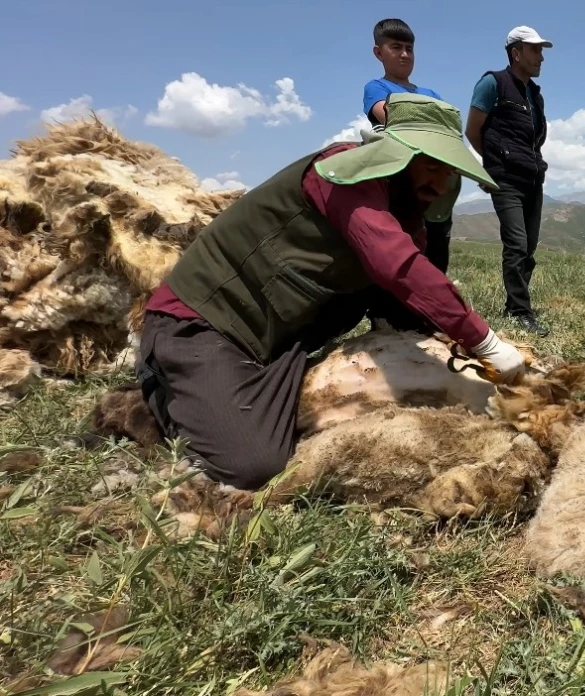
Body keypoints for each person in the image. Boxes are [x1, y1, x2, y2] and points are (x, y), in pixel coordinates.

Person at [135, 93, 528, 491]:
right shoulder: (343, 177)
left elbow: (409, 290)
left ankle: (250, 390)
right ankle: (163, 389)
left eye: (447, 172)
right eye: (430, 166)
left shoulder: (404, 209)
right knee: (253, 464)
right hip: (201, 325)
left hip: (276, 343)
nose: (439, 184)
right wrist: (484, 342)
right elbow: (397, 265)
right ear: (398, 157)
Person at [465, 25, 553, 337]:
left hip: (532, 178)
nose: (541, 57)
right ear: (516, 53)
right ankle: (520, 312)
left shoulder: (535, 94)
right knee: (516, 245)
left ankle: (514, 303)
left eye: (541, 50)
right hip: (505, 180)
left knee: (528, 248)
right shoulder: (493, 83)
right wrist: (493, 163)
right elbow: (472, 130)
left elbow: (534, 138)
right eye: (535, 50)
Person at [362, 18, 458, 274]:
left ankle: (434, 292)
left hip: (436, 177)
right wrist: (433, 123)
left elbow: (451, 128)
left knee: (437, 242)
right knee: (401, 242)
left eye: (409, 48)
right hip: (400, 179)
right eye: (396, 47)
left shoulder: (431, 93)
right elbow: (390, 117)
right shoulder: (377, 87)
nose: (405, 54)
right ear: (378, 53)